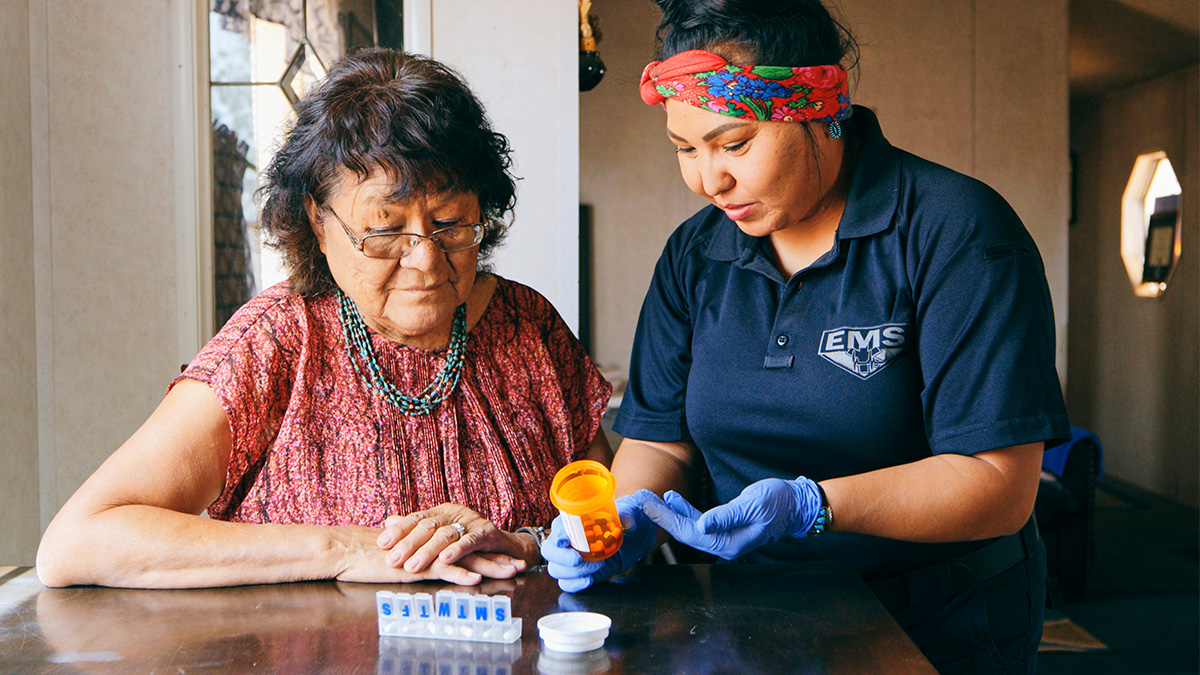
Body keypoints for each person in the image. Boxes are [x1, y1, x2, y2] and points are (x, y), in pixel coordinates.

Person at [541, 1, 1069, 672]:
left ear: (819, 109)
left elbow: (1000, 485)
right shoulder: (695, 255)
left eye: (735, 143)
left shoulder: (956, 231)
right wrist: (614, 525)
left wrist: (811, 504)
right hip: (747, 614)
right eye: (685, 149)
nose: (710, 180)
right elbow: (656, 440)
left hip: (934, 620)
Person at [36, 48, 611, 589]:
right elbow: (77, 542)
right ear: (318, 219)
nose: (427, 260)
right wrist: (346, 549)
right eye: (385, 230)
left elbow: (607, 523)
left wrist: (525, 544)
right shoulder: (276, 342)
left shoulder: (527, 326)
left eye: (451, 222)